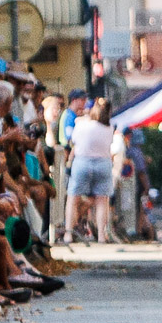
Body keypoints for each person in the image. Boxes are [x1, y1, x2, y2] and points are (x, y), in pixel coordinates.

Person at [63, 98, 114, 244]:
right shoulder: (109, 128)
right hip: (103, 163)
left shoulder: (82, 125)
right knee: (102, 200)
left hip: (83, 161)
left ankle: (68, 233)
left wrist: (83, 119)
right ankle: (101, 236)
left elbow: (73, 140)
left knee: (73, 197)